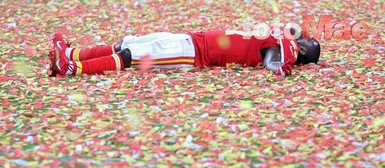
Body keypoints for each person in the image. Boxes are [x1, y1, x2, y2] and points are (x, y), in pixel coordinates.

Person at [49, 28, 320, 77]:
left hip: (193, 53)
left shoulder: (282, 48)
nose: (304, 39)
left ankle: (72, 69)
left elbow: (271, 59)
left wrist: (280, 68)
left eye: (308, 43)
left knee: (133, 55)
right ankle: (72, 54)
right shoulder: (278, 35)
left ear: (304, 52)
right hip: (191, 39)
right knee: (127, 43)